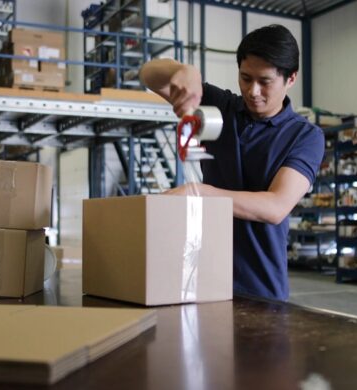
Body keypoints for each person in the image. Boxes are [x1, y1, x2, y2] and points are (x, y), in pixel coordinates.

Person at [139, 24, 325, 301]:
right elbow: (149, 75)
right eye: (245, 78)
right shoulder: (218, 108)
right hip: (201, 280)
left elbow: (275, 207)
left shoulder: (305, 136)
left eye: (265, 81)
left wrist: (199, 193)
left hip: (260, 288)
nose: (253, 91)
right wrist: (183, 72)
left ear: (291, 78)